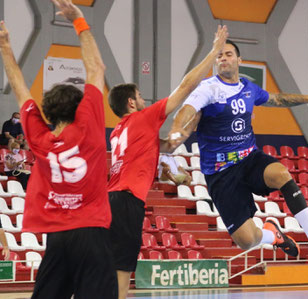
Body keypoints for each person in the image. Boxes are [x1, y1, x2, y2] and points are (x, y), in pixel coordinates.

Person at [169, 40, 308, 260]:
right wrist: (176, 130)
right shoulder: (208, 88)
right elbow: (187, 110)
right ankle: (273, 236)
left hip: (249, 158)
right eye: (220, 55)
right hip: (221, 172)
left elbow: (277, 99)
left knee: (281, 173)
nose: (223, 58)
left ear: (239, 60)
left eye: (229, 54)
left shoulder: (248, 88)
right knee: (247, 240)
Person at [0, 1, 118, 298]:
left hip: (58, 239)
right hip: (92, 234)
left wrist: (4, 47)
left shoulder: (40, 139)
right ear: (80, 108)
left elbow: (19, 88)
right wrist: (79, 21)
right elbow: (96, 67)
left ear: (48, 114)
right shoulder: (89, 127)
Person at [107, 25, 228, 299]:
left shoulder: (119, 130)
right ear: (131, 102)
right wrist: (213, 52)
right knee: (122, 271)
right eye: (139, 96)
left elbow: (161, 147)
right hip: (127, 201)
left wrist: (166, 165)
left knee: (106, 267)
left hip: (111, 200)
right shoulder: (142, 118)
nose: (143, 99)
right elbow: (186, 86)